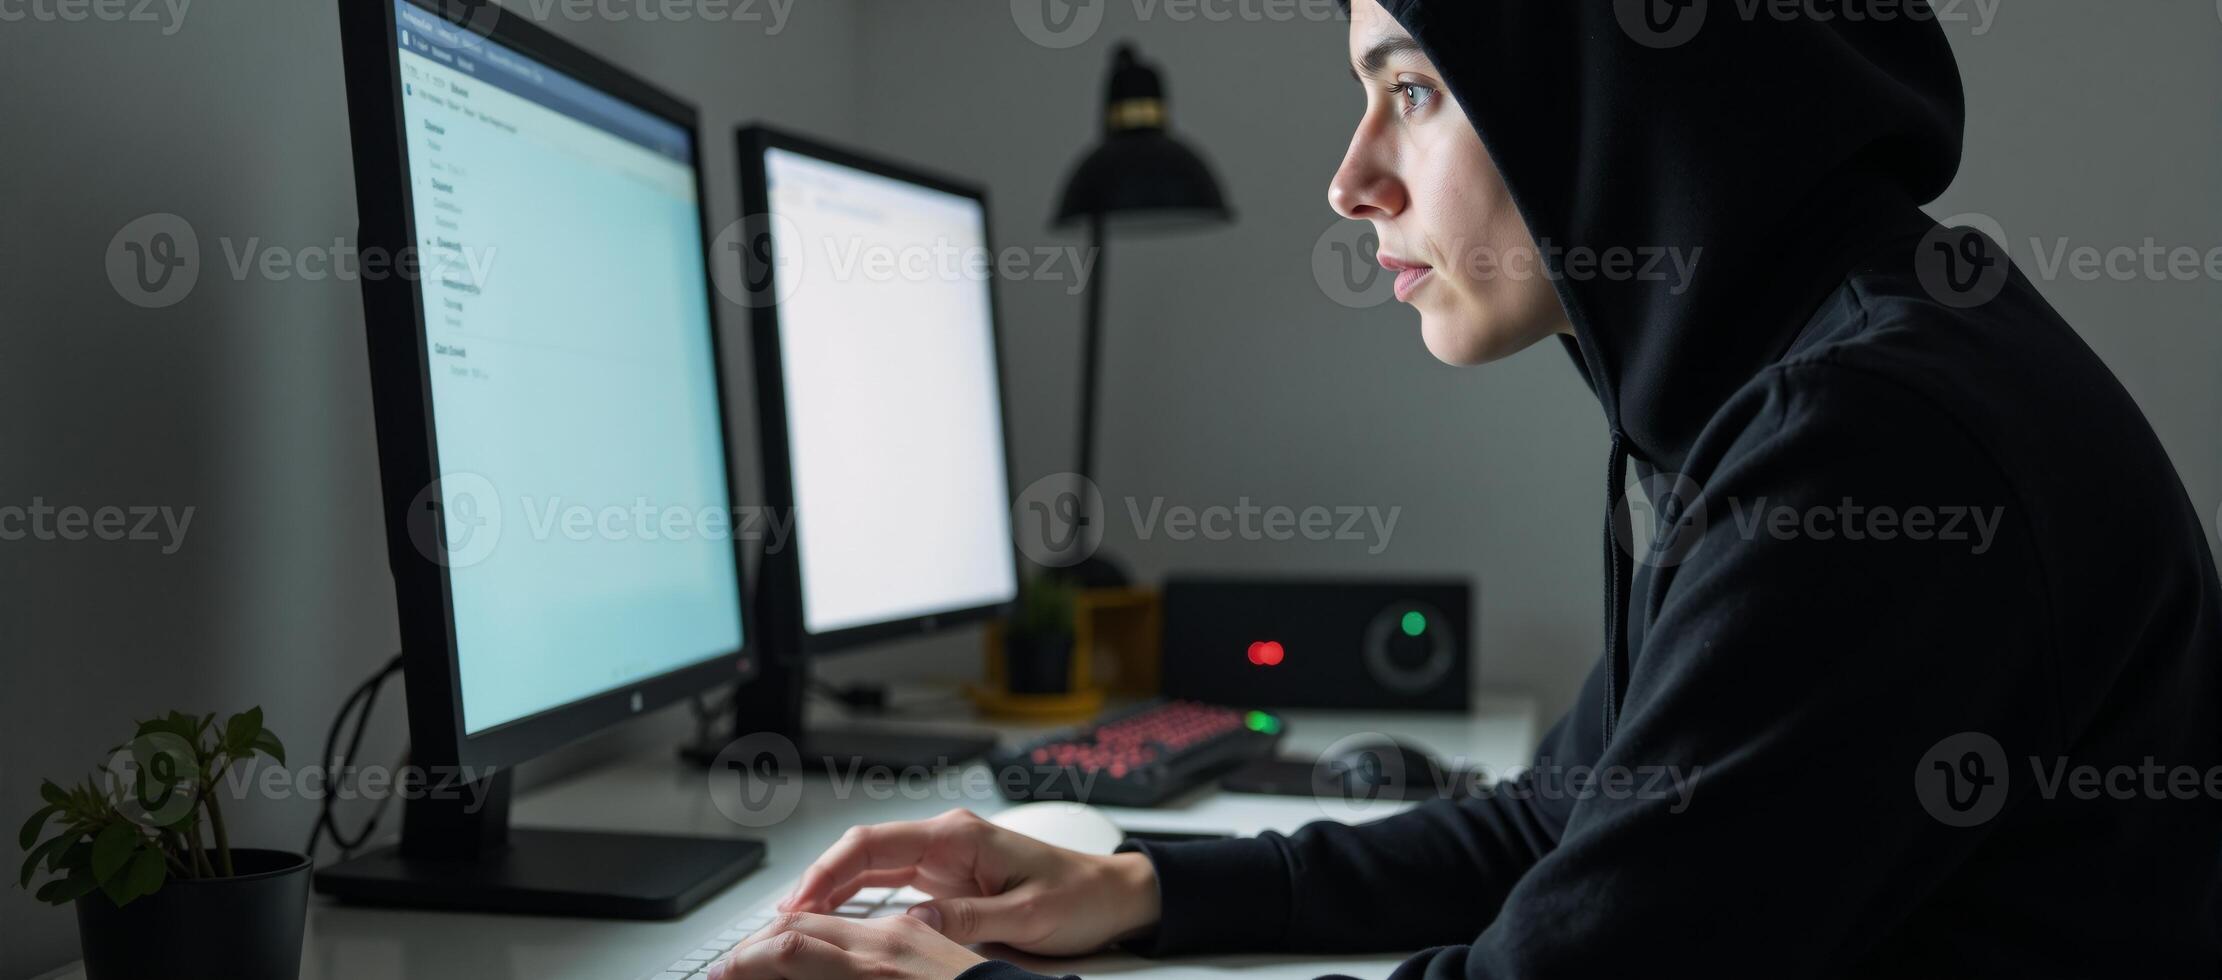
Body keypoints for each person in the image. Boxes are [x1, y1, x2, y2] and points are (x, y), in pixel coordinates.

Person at [705, 1, 2222, 977]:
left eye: (1413, 89)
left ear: (1614, 94)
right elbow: (1559, 829)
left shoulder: (1873, 450)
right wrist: (1143, 885)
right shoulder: (1777, 382)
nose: (1351, 177)